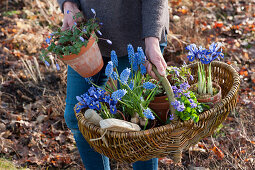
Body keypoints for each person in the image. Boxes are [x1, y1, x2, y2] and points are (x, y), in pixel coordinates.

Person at [57, 0, 169, 169]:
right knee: (78, 116)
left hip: (139, 37)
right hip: (88, 35)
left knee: (140, 122)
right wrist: (68, 3)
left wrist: (152, 41)